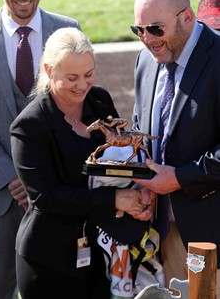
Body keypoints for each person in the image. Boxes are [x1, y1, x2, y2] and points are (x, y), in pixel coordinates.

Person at [10, 27, 154, 299]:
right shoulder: (29, 126)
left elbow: (118, 159)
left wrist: (138, 190)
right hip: (49, 260)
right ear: (49, 71)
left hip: (101, 253)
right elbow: (46, 197)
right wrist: (113, 199)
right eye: (72, 77)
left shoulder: (99, 100)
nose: (82, 85)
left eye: (88, 74)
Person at [0, 0, 81, 297]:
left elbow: (79, 104)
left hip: (55, 190)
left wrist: (39, 177)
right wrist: (11, 175)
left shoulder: (69, 30)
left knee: (58, 282)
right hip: (0, 194)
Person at [129, 0, 220, 297]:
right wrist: (141, 179)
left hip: (211, 228)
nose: (146, 39)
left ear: (187, 18)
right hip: (161, 226)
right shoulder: (145, 60)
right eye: (137, 30)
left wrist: (180, 177)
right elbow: (140, 125)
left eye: (155, 28)